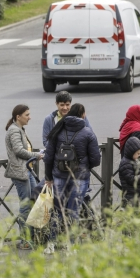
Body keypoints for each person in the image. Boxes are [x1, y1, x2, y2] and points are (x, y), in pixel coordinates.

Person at [43, 104, 100, 254]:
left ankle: (51, 244)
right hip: (79, 178)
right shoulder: (88, 132)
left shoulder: (58, 130)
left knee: (57, 210)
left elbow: (48, 157)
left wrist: (48, 177)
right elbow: (96, 159)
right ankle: (71, 246)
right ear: (82, 115)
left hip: (59, 176)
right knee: (74, 211)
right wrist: (84, 166)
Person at [4, 105, 43, 250]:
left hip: (26, 170)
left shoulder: (19, 129)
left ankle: (31, 237)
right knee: (26, 206)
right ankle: (25, 240)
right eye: (27, 115)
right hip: (20, 173)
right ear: (18, 116)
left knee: (32, 203)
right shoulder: (14, 130)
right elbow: (19, 151)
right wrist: (36, 155)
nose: (29, 117)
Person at [119, 137, 140, 207]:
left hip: (137, 195)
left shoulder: (135, 160)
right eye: (138, 153)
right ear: (131, 152)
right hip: (130, 196)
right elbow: (131, 179)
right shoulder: (126, 163)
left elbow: (139, 173)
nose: (139, 155)